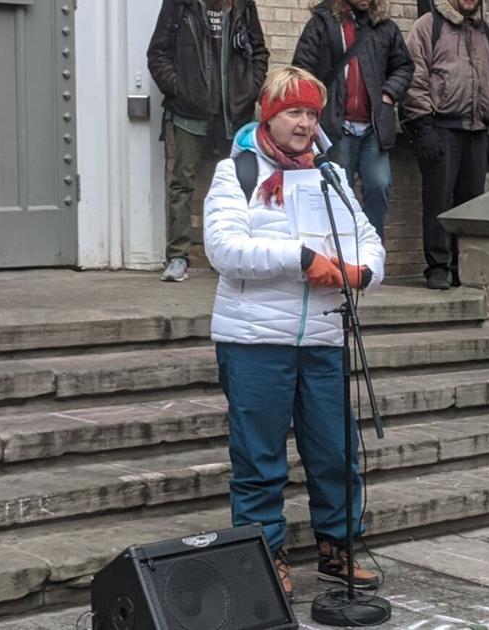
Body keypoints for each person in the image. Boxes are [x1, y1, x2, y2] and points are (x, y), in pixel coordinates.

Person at [202, 67, 386, 599]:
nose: (305, 123)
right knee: (259, 460)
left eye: (311, 112)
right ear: (269, 114)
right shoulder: (235, 172)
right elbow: (225, 250)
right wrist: (301, 258)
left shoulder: (328, 174)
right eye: (294, 113)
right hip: (255, 340)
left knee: (335, 451)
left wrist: (361, 272)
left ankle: (338, 546)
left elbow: (368, 239)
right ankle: (266, 554)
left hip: (324, 338)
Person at [148, 0, 270, 282]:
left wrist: (250, 89)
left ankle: (230, 254)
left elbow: (259, 51)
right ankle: (177, 256)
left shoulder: (242, 5)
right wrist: (178, 89)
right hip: (190, 112)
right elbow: (158, 53)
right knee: (182, 183)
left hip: (233, 114)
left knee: (237, 185)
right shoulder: (180, 4)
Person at [403, 0, 489, 290]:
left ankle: (462, 267)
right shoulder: (428, 25)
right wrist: (423, 124)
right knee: (438, 201)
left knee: (471, 204)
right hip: (440, 127)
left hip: (478, 130)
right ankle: (438, 267)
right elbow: (415, 75)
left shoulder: (486, 32)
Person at [292, 0, 414, 240]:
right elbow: (302, 70)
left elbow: (404, 67)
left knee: (379, 186)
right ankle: (342, 251)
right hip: (336, 127)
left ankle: (372, 249)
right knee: (339, 191)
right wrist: (312, 113)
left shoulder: (385, 27)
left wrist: (389, 94)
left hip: (373, 128)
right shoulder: (322, 23)